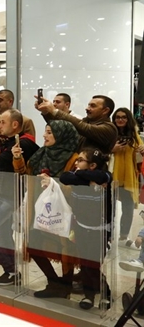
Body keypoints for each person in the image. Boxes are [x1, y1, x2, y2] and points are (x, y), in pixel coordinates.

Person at [12, 120, 79, 298]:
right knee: (34, 243)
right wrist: (18, 158)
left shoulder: (74, 159)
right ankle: (54, 282)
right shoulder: (41, 154)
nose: (44, 135)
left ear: (61, 135)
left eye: (49, 132)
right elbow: (24, 174)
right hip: (40, 209)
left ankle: (66, 284)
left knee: (66, 248)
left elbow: (77, 186)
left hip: (63, 212)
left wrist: (54, 184)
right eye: (45, 132)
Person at [0, 109, 39, 284]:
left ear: (14, 124)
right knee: (3, 234)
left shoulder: (22, 144)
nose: (0, 125)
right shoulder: (10, 142)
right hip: (1, 193)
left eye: (3, 122)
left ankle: (11, 269)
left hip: (8, 195)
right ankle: (12, 271)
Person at [59, 148, 112, 310]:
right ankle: (89, 295)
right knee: (84, 263)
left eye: (80, 160)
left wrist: (80, 176)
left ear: (93, 165)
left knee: (92, 264)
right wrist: (83, 176)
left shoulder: (106, 177)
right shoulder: (79, 176)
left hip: (100, 230)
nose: (76, 162)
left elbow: (102, 177)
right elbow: (64, 177)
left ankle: (105, 292)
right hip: (81, 226)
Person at [36, 95, 117, 154]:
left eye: (93, 106)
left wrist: (54, 111)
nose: (87, 108)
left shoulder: (109, 128)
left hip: (94, 173)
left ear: (105, 110)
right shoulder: (87, 121)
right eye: (88, 105)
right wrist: (46, 112)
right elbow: (60, 126)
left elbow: (84, 128)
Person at [110, 107, 144, 245]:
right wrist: (112, 148)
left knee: (128, 208)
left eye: (123, 117)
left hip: (129, 177)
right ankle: (108, 236)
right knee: (109, 209)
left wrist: (142, 149)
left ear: (128, 119)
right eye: (117, 117)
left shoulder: (134, 135)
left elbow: (139, 157)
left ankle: (123, 237)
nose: (120, 119)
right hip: (112, 176)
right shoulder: (109, 133)